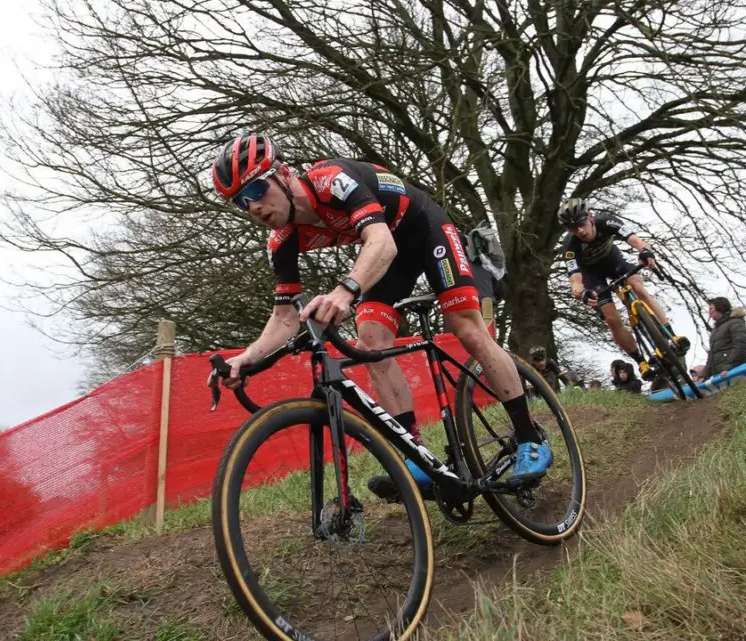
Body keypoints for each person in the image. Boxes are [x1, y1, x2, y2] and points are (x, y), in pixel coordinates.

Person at [209, 134, 552, 498]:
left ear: (284, 173)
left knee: (466, 327)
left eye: (257, 190)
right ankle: (416, 457)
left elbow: (381, 242)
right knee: (370, 340)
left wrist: (344, 292)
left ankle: (530, 437)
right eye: (241, 202)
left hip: (424, 229)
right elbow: (284, 318)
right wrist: (245, 358)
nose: (253, 206)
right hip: (391, 259)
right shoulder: (282, 240)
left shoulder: (331, 180)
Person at [557, 198, 690, 380]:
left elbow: (634, 239)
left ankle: (672, 336)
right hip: (593, 276)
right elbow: (575, 279)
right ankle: (640, 361)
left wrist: (646, 252)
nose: (579, 231)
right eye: (573, 228)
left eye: (581, 224)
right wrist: (581, 292)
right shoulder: (570, 245)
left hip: (614, 262)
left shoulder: (607, 221)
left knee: (639, 289)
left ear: (590, 217)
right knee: (612, 320)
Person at [700, 297, 746, 380]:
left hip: (733, 371)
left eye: (711, 308)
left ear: (720, 307)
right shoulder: (715, 329)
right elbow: (712, 353)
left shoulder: (735, 323)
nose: (709, 312)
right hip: (719, 374)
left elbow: (739, 346)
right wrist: (704, 374)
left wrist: (729, 367)